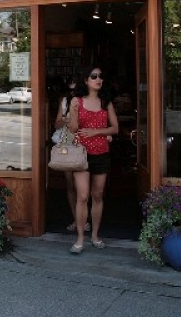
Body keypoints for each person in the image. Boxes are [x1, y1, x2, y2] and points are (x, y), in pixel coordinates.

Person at [65, 65, 119, 254]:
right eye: (94, 76)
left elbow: (115, 128)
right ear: (86, 80)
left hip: (101, 153)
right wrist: (72, 112)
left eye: (100, 76)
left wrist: (97, 131)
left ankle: (95, 235)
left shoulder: (106, 102)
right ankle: (80, 238)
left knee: (97, 196)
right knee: (82, 196)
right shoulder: (77, 101)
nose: (98, 79)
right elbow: (72, 129)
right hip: (82, 154)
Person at [53, 78, 91, 234]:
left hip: (84, 143)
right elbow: (56, 124)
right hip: (67, 144)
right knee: (70, 184)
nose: (73, 93)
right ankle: (76, 219)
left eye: (75, 90)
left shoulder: (87, 101)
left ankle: (84, 220)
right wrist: (66, 119)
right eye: (70, 90)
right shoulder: (63, 102)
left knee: (83, 185)